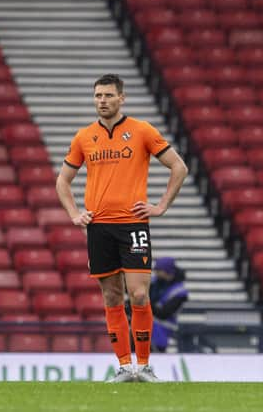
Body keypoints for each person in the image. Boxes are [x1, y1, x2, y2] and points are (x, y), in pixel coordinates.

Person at [55, 74, 188, 382]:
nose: (102, 100)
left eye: (108, 95)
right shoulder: (84, 137)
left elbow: (178, 166)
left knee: (139, 295)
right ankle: (124, 367)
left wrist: (161, 206)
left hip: (133, 225)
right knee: (112, 297)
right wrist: (74, 213)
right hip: (99, 227)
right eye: (98, 96)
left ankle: (144, 366)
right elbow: (62, 180)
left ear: (121, 98)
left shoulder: (142, 131)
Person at [148, 257, 189, 353]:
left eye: (159, 270)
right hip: (149, 323)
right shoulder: (154, 282)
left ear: (168, 271)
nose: (156, 273)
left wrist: (145, 303)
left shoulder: (179, 292)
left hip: (164, 327)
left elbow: (164, 314)